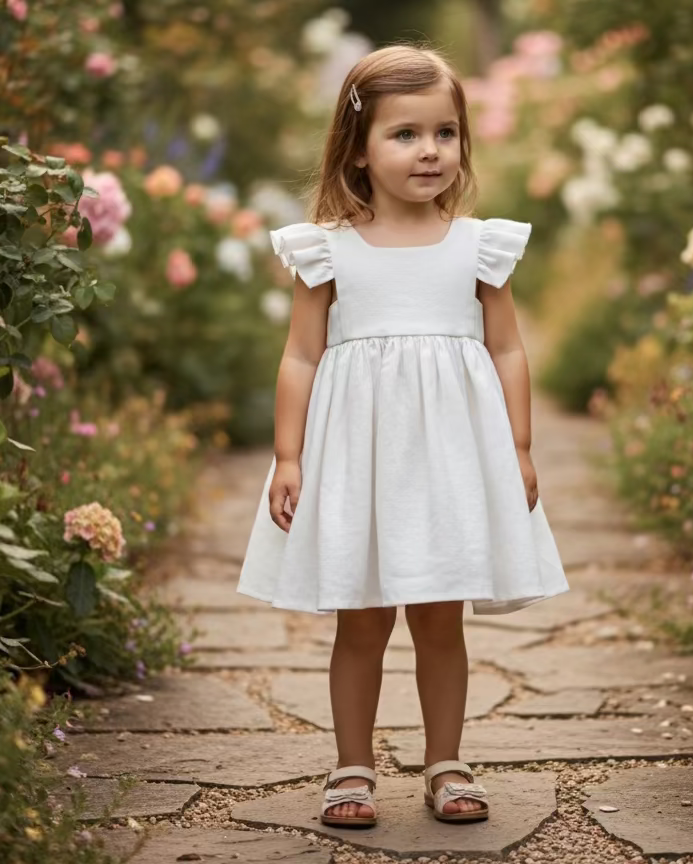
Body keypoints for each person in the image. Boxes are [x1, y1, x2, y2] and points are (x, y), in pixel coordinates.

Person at [237, 43, 569, 829]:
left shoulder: (477, 246)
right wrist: (289, 455)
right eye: (405, 134)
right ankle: (351, 768)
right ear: (358, 149)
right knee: (361, 617)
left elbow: (509, 347)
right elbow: (300, 355)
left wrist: (518, 447)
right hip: (361, 461)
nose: (429, 151)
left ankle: (446, 762)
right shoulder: (328, 252)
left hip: (452, 460)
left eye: (445, 134)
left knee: (439, 617)